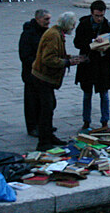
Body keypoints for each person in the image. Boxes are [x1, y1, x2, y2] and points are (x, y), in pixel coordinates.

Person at [31, 12, 83, 151]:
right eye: (72, 25)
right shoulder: (54, 35)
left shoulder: (57, 33)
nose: (73, 27)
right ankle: (43, 142)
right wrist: (68, 62)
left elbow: (57, 54)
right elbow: (48, 59)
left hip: (45, 77)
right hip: (42, 77)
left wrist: (71, 58)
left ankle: (48, 136)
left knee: (49, 106)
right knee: (46, 109)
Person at [74, 0, 110, 130]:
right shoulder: (83, 25)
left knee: (104, 94)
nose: (99, 18)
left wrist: (106, 47)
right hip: (87, 65)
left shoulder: (109, 25)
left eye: (101, 15)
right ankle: (86, 120)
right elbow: (77, 43)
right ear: (91, 13)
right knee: (87, 94)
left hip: (102, 64)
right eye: (96, 16)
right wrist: (92, 42)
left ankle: (105, 121)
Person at [19, 9, 51, 137]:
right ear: (38, 19)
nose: (48, 22)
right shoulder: (28, 34)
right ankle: (32, 126)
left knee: (44, 101)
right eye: (46, 19)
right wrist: (38, 63)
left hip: (43, 74)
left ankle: (43, 124)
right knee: (32, 101)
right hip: (31, 73)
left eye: (49, 19)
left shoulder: (46, 33)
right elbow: (24, 55)